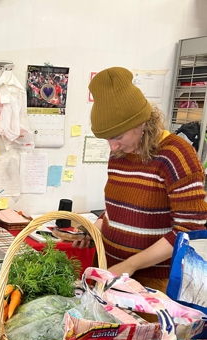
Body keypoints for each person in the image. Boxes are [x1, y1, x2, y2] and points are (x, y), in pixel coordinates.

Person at [74, 67, 207, 293]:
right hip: (110, 272)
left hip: (152, 285)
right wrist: (93, 230)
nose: (112, 146)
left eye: (117, 137)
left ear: (142, 123)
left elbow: (189, 229)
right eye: (107, 139)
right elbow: (117, 210)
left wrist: (131, 265)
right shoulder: (120, 153)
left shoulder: (175, 155)